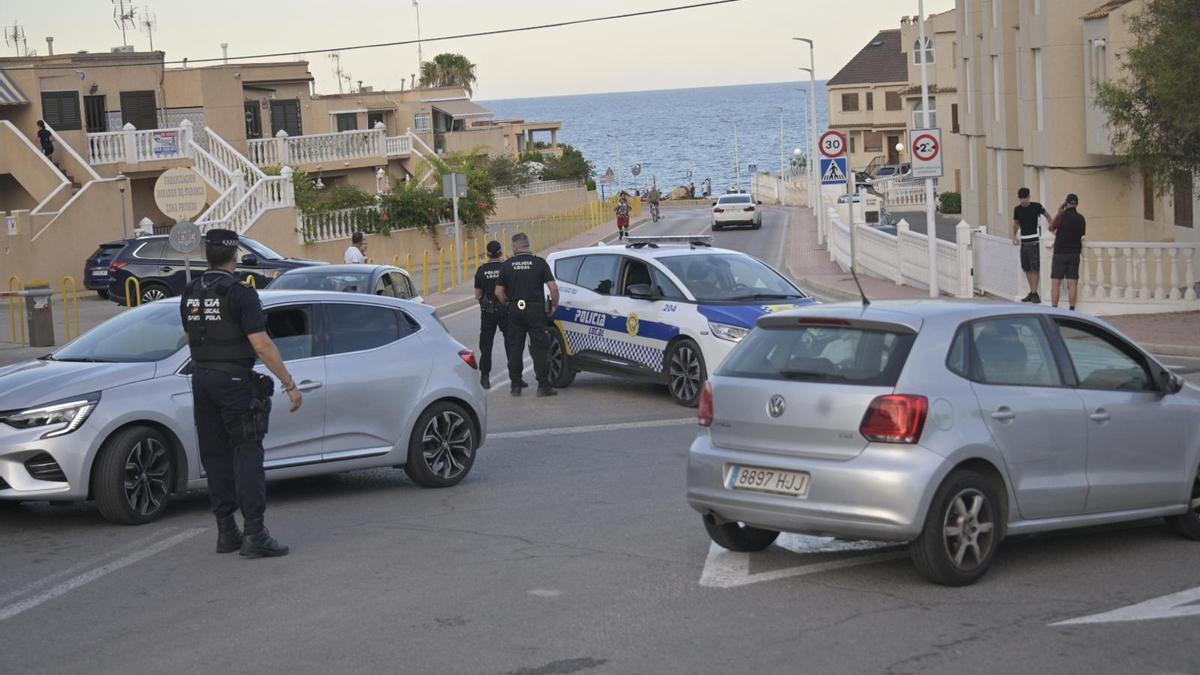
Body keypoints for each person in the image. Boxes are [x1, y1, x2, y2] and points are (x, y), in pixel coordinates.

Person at [181, 229, 302, 559]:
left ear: (208, 256)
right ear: (235, 256)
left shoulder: (191, 290)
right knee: (248, 453)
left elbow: (190, 337)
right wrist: (289, 384)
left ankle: (226, 532)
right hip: (233, 381)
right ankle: (254, 533)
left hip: (201, 378)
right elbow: (261, 344)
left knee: (215, 456)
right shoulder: (241, 293)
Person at [495, 232, 560, 397]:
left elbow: (498, 292)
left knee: (515, 348)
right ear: (527, 245)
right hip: (535, 309)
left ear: (516, 247)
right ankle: (543, 386)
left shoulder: (507, 265)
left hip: (515, 308)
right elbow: (553, 288)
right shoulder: (539, 263)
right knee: (539, 348)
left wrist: (507, 303)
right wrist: (554, 304)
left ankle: (515, 385)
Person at [474, 240, 509, 390]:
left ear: (487, 254)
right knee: (511, 342)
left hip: (487, 312)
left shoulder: (481, 270)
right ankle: (515, 378)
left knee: (486, 345)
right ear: (500, 252)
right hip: (504, 311)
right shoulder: (505, 268)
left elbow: (477, 295)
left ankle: (485, 378)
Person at [1012, 187, 1050, 303]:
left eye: (1026, 198)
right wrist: (1014, 236)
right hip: (1024, 241)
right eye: (1022, 198)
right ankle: (1032, 292)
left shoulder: (1036, 206)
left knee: (1034, 267)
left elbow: (1047, 215)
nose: (1024, 201)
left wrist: (1052, 226)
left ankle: (1034, 293)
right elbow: (1016, 224)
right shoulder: (1017, 209)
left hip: (1034, 241)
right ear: (1019, 198)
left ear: (1029, 197)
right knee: (1027, 267)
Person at [1049, 193, 1086, 311]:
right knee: (1072, 283)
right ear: (1077, 204)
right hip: (1074, 253)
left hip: (1060, 252)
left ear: (1066, 203)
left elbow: (1051, 228)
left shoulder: (1061, 216)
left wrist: (1059, 212)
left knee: (1056, 282)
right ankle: (1072, 308)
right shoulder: (1081, 218)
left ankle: (1054, 308)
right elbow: (1082, 234)